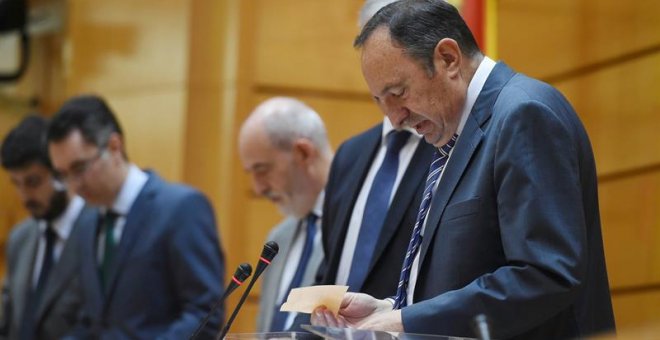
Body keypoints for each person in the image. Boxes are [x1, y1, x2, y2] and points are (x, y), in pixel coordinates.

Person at [311, 1, 615, 339]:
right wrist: (395, 310)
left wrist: (407, 323)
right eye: (382, 102)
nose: (396, 119)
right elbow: (466, 271)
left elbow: (545, 274)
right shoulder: (455, 133)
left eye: (399, 93)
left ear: (448, 59)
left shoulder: (522, 115)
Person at [46, 95, 225, 339]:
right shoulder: (87, 222)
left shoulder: (181, 208)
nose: (74, 185)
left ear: (113, 147)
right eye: (63, 175)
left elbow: (205, 314)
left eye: (79, 168)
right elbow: (92, 321)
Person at [238, 97, 332, 332]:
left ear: (303, 153)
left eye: (262, 170)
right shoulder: (278, 239)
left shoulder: (356, 227)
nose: (258, 188)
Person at [0, 116, 97, 340]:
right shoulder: (19, 238)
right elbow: (8, 323)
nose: (24, 197)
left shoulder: (98, 233)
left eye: (33, 182)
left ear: (60, 173)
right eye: (16, 183)